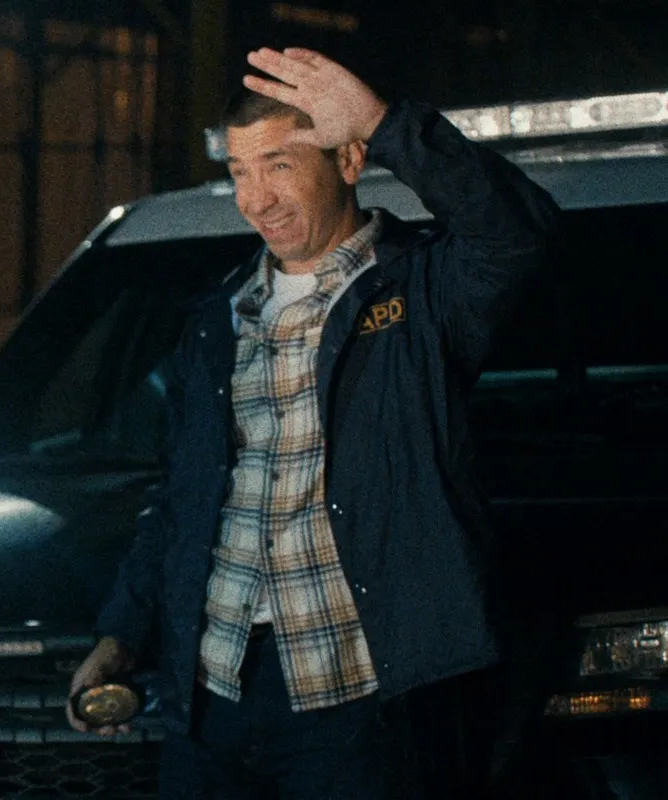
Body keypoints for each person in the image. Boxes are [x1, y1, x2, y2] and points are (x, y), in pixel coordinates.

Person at [66, 48, 559, 798]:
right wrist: (122, 633)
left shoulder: (421, 293)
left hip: (360, 703)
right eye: (240, 171)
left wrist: (386, 124)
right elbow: (180, 499)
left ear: (349, 161)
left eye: (280, 166)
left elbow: (518, 233)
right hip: (213, 695)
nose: (256, 198)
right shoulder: (219, 317)